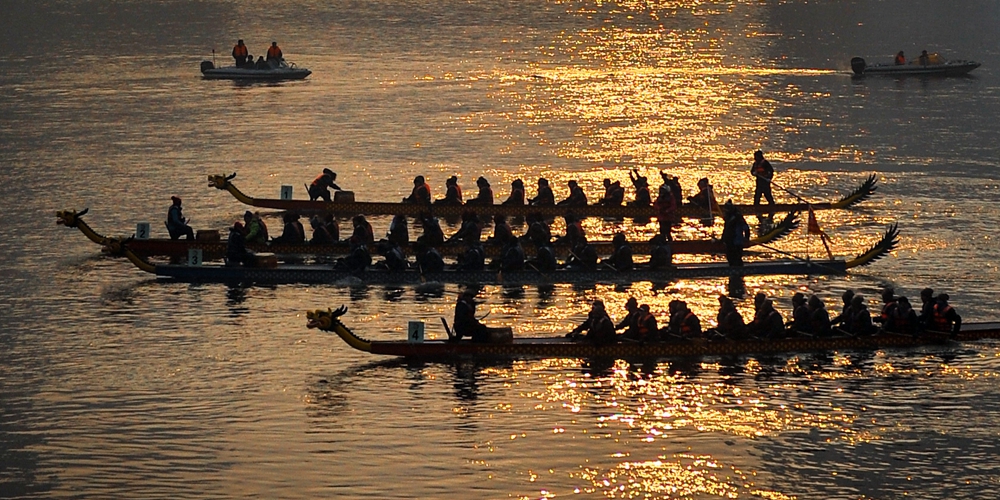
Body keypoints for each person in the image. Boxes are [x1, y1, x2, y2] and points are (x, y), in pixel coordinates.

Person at [721, 200, 750, 266]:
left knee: (737, 258)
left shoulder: (738, 218)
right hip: (729, 241)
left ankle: (739, 271)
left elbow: (746, 228)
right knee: (730, 258)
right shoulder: (728, 218)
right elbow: (725, 230)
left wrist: (746, 238)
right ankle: (733, 270)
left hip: (737, 242)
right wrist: (722, 239)